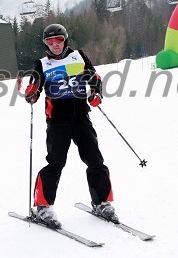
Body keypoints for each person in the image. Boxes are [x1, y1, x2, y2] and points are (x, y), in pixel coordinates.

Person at [24, 23, 117, 229]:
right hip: (57, 120)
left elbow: (94, 78)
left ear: (65, 40)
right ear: (45, 44)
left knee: (95, 159)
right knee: (55, 162)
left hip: (81, 116)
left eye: (58, 40)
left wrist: (96, 93)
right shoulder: (41, 64)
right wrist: (31, 93)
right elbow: (35, 87)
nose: (55, 45)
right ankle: (43, 206)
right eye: (50, 41)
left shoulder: (79, 56)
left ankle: (101, 202)